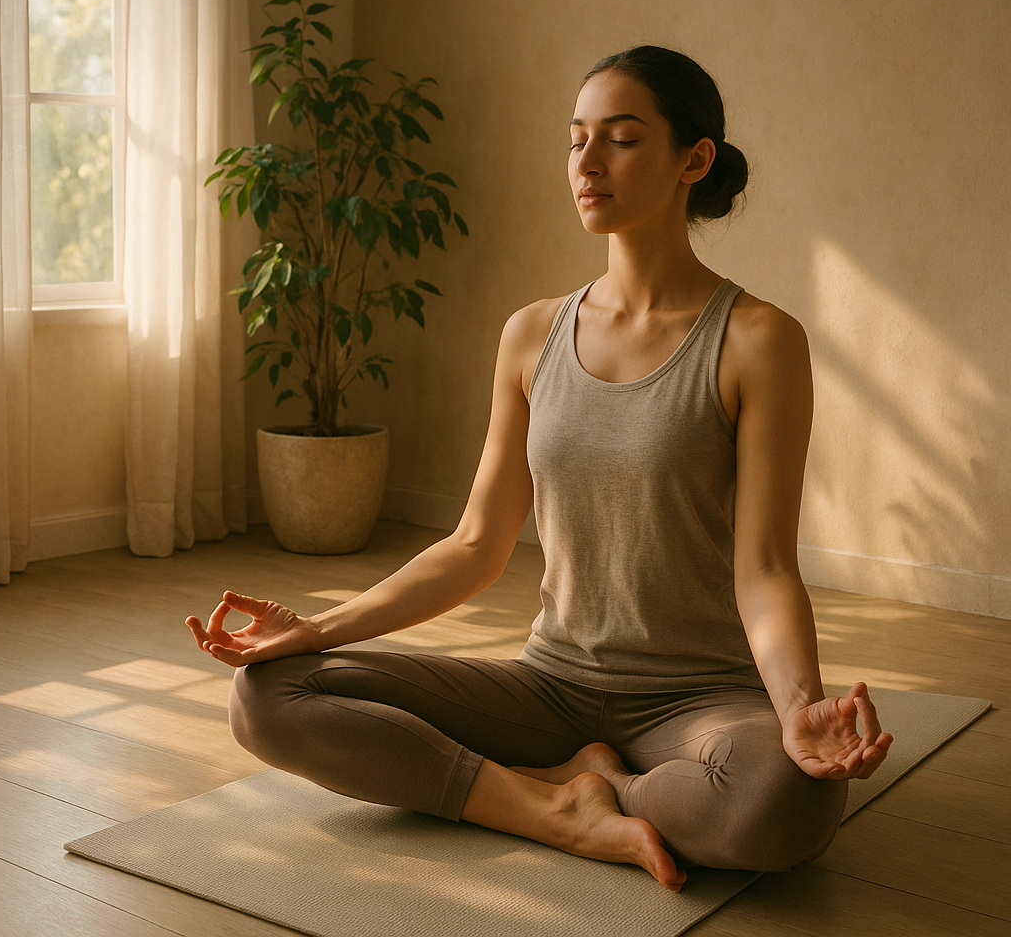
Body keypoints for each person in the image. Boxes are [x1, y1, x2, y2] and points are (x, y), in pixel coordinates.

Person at [187, 45, 893, 892]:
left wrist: (799, 709)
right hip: (550, 687)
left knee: (790, 801)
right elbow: (475, 545)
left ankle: (589, 787)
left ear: (694, 160)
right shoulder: (531, 335)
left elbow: (767, 568)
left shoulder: (757, 339)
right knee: (267, 695)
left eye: (621, 139)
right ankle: (553, 806)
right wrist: (319, 629)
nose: (587, 163)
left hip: (699, 700)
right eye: (575, 139)